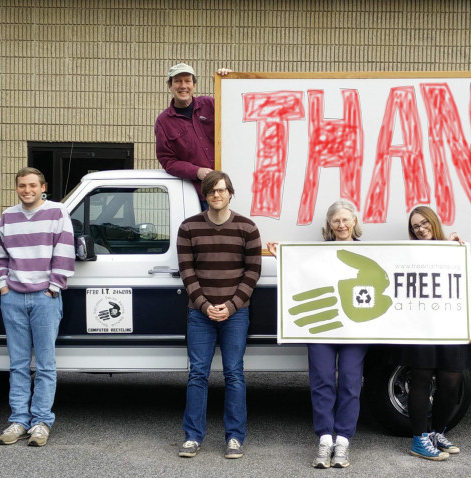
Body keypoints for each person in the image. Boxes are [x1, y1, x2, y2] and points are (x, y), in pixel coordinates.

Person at [266, 199, 367, 469]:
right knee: (321, 381)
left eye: (346, 219)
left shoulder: (370, 251)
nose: (342, 224)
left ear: (354, 222)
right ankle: (324, 439)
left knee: (350, 382)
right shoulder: (316, 252)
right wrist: (281, 258)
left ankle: (343, 441)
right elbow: (299, 274)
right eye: (336, 220)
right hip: (322, 328)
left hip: (355, 331)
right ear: (329, 225)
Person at [176, 170, 261, 460]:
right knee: (197, 374)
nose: (216, 195)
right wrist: (204, 305)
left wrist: (232, 305)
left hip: (235, 314)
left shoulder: (248, 228)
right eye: (212, 190)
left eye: (222, 190)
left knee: (234, 373)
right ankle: (192, 437)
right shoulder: (188, 228)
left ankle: (235, 438)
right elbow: (187, 271)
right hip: (199, 314)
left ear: (230, 193)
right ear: (205, 194)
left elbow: (253, 272)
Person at [0, 167, 75, 447]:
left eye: (32, 185)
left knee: (45, 365)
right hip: (13, 297)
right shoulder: (8, 215)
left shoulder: (57, 212)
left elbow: (65, 252)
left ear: (43, 187)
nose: (27, 190)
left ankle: (41, 422)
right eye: (21, 186)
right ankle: (17, 420)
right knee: (17, 364)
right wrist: (3, 286)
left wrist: (53, 287)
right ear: (17, 188)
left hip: (45, 297)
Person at [403, 206, 471, 461]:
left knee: (451, 382)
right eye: (415, 226)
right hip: (421, 327)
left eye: (424, 223)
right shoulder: (408, 254)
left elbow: (469, 290)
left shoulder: (456, 251)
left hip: (452, 323)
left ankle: (437, 432)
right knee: (421, 380)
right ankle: (419, 439)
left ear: (434, 222)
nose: (421, 228)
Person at [154, 63, 230, 206]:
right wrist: (197, 171)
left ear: (194, 85)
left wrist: (229, 82)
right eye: (177, 81)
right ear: (170, 86)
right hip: (200, 196)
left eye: (188, 81)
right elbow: (168, 161)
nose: (183, 86)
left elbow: (236, 112)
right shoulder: (164, 122)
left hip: (229, 190)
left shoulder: (210, 104)